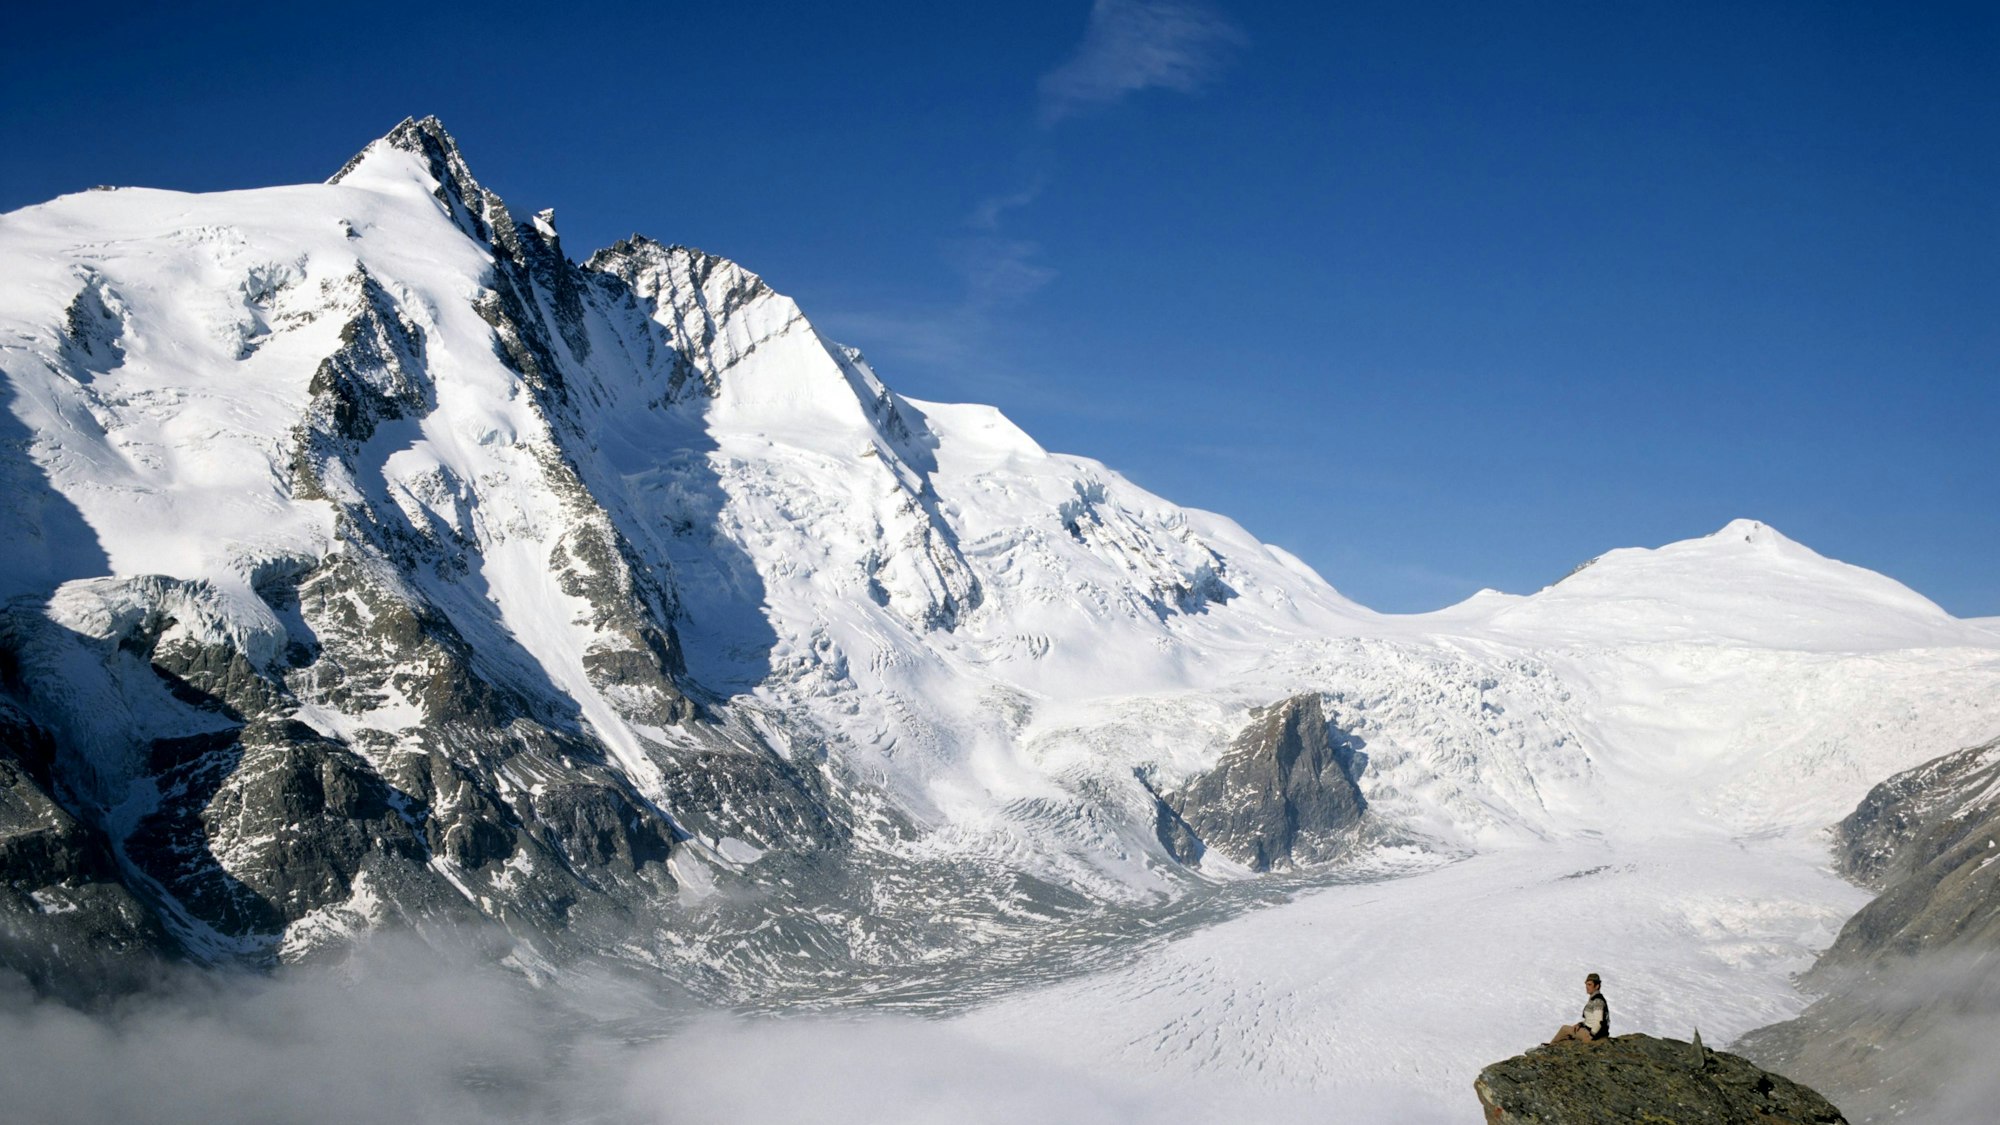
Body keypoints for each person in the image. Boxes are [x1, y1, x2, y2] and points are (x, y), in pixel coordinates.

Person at [1548, 972, 1610, 1044]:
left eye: (1589, 984)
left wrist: (1590, 1036)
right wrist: (1580, 1024)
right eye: (1586, 984)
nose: (1587, 987)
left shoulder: (1597, 1001)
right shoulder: (1595, 999)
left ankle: (1550, 1046)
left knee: (1564, 1029)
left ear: (1597, 986)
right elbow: (1592, 1019)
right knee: (1569, 1035)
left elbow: (1599, 1022)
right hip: (1594, 1032)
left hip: (1594, 1035)